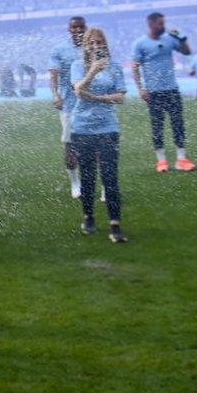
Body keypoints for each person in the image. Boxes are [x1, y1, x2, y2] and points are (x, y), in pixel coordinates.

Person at [70, 28, 128, 243]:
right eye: (91, 43)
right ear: (86, 46)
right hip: (82, 127)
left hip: (108, 127)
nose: (95, 46)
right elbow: (78, 90)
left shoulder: (115, 66)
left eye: (99, 42)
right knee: (87, 175)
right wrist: (92, 71)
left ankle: (115, 224)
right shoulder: (78, 65)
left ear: (105, 44)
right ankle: (88, 216)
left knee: (110, 176)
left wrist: (96, 98)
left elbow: (120, 97)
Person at [132, 12, 196, 173]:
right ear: (151, 24)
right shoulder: (140, 44)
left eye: (163, 23)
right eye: (160, 23)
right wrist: (141, 88)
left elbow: (187, 52)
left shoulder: (169, 39)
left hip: (172, 89)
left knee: (178, 124)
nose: (163, 26)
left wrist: (182, 38)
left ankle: (181, 159)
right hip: (153, 92)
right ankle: (161, 161)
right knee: (157, 127)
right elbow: (135, 67)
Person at [50, 16, 87, 198]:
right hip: (69, 104)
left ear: (85, 28)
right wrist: (56, 95)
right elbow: (53, 75)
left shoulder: (93, 46)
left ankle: (103, 185)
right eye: (74, 27)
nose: (78, 30)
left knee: (96, 144)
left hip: (91, 102)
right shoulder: (59, 50)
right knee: (69, 144)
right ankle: (75, 184)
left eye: (81, 27)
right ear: (69, 29)